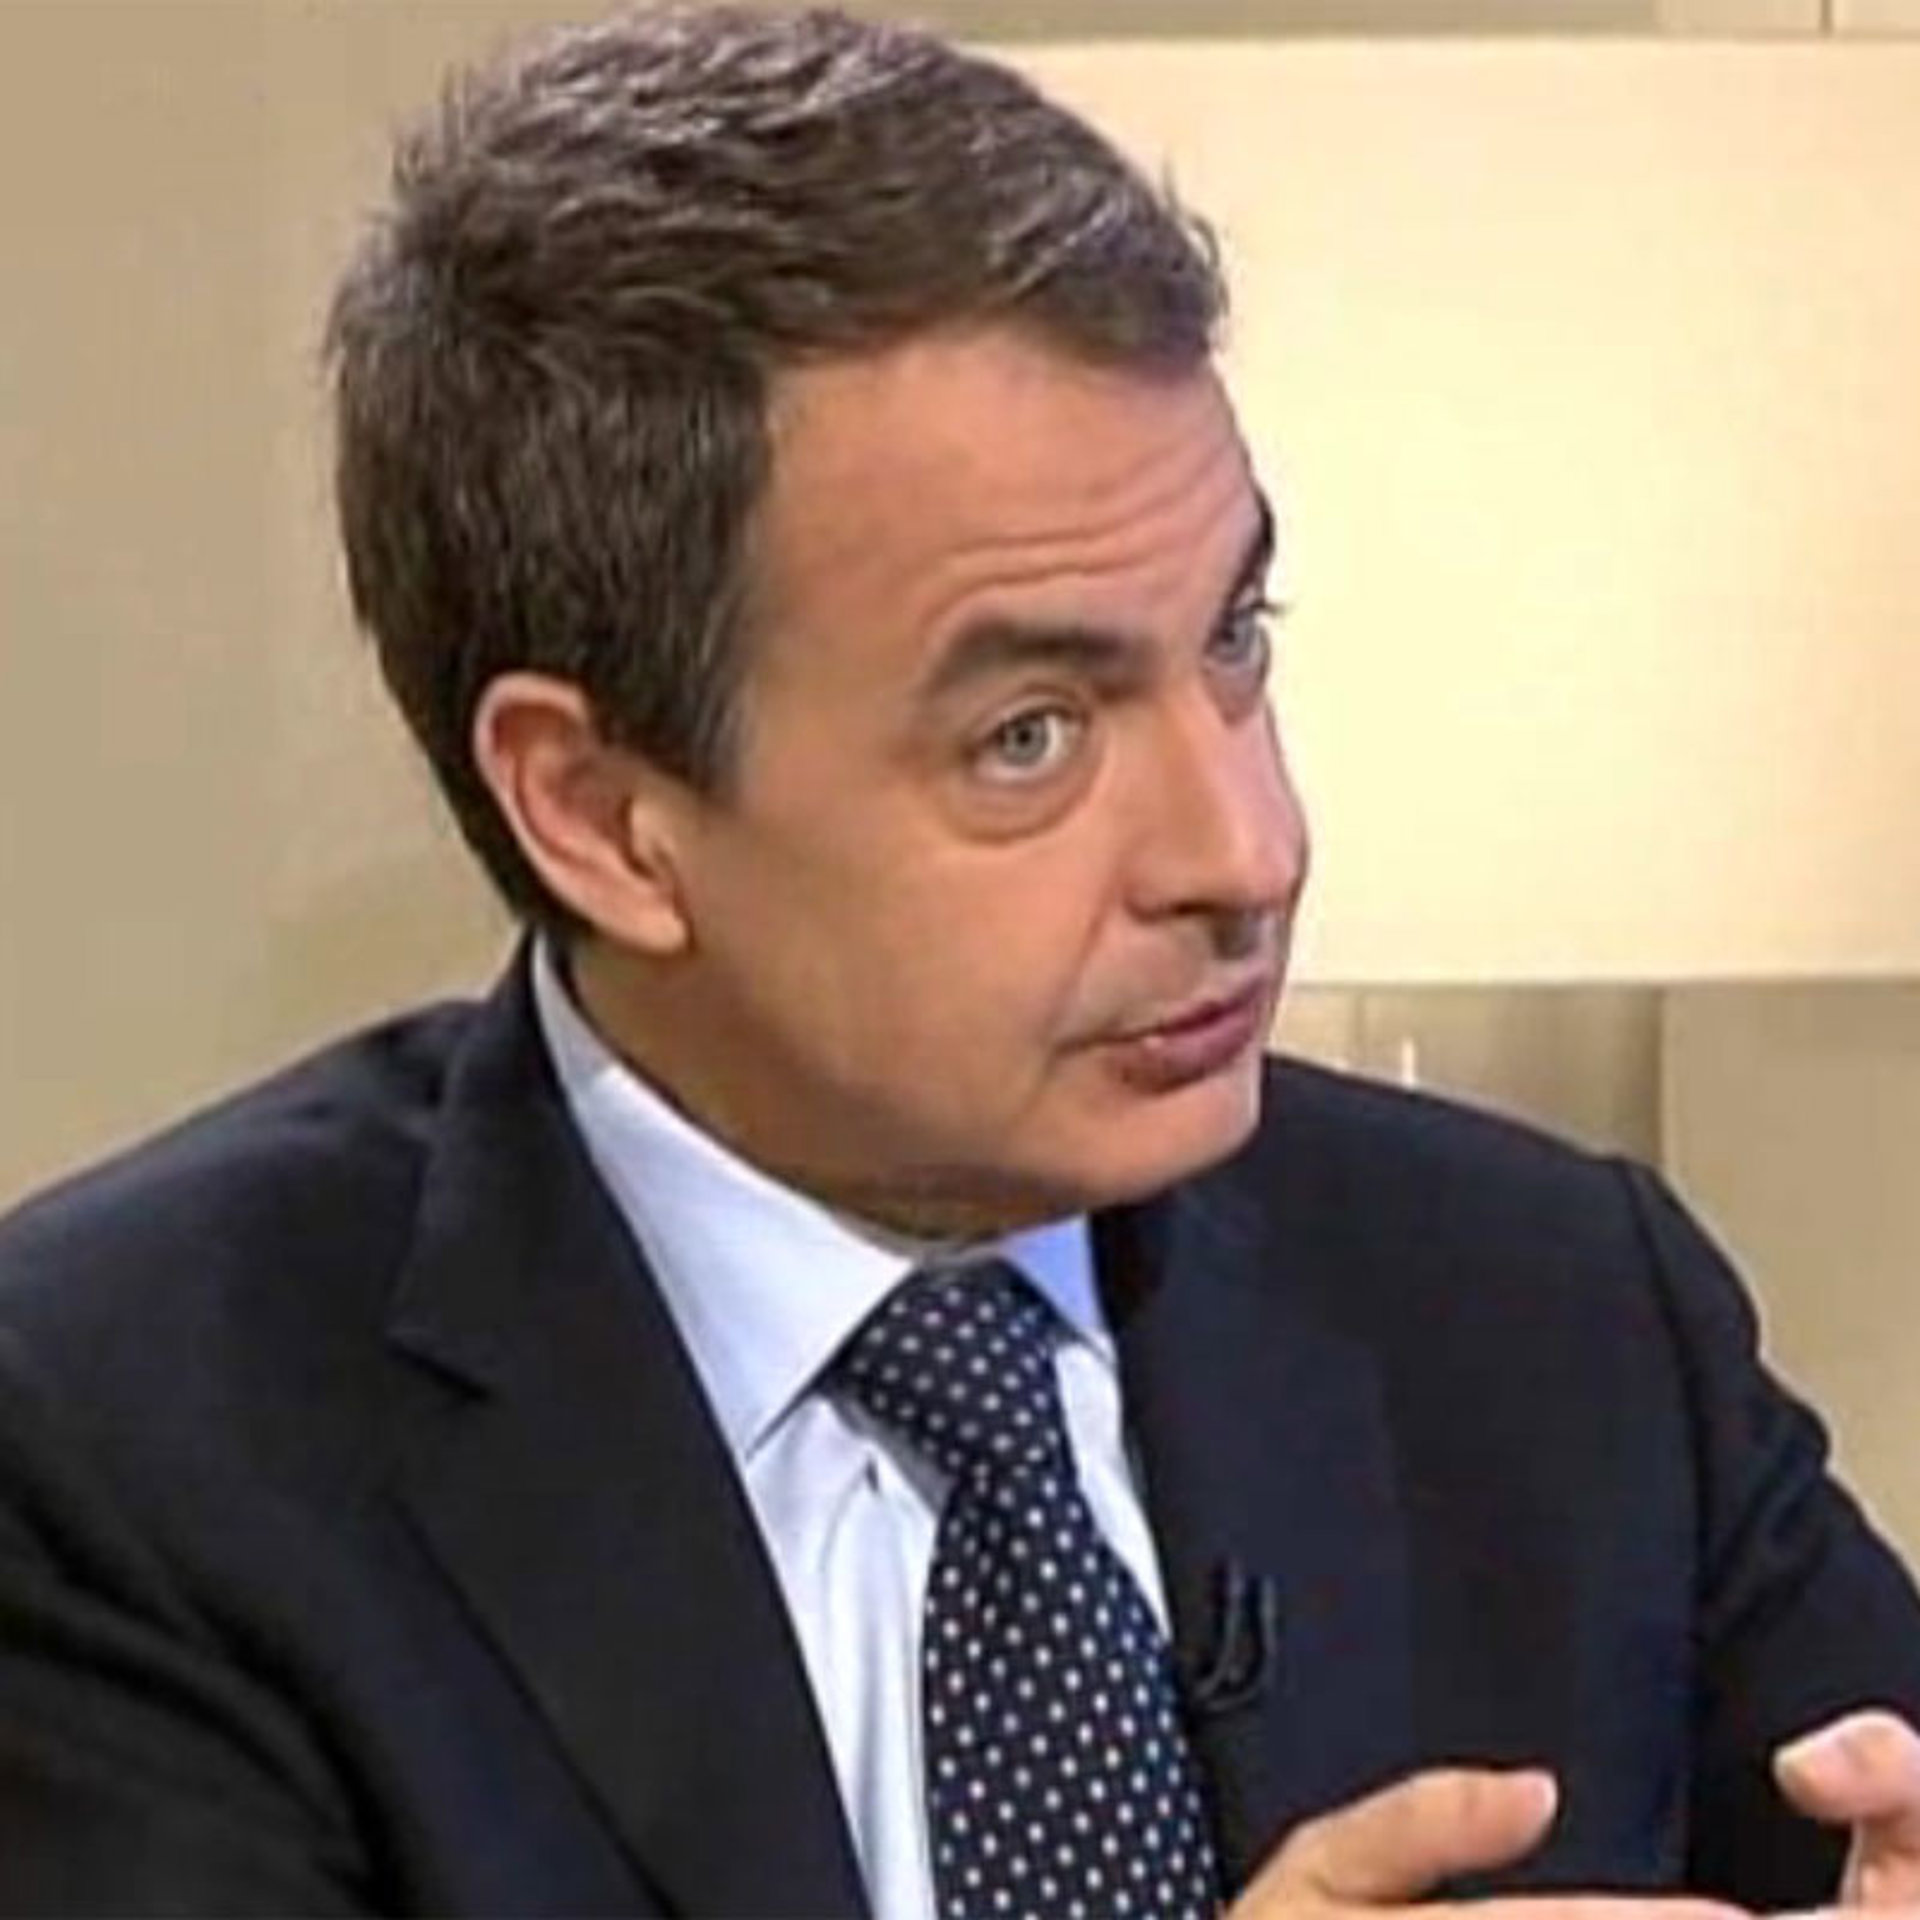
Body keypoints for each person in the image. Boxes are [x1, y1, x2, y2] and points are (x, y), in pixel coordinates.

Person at [0, 6, 1917, 1916]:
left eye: (1233, 640)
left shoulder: (1558, 1313)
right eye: (1029, 737)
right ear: (602, 815)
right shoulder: (123, 1455)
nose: (1249, 852)